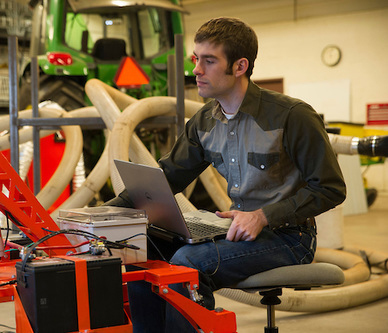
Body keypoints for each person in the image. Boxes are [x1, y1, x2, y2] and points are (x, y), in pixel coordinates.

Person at [106, 17, 346, 332]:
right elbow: (168, 176)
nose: (196, 70)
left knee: (187, 264)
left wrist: (263, 216)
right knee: (138, 247)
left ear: (239, 66)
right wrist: (105, 214)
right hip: (236, 232)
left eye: (209, 61)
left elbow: (330, 188)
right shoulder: (204, 121)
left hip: (289, 237)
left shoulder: (292, 116)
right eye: (196, 59)